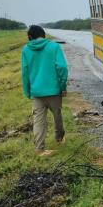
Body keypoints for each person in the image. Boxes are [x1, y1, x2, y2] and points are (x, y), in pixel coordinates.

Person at [21, 25, 68, 156]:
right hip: (54, 90)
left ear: (30, 37)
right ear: (43, 35)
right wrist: (62, 86)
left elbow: (25, 72)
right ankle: (59, 138)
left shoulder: (26, 50)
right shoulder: (54, 47)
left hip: (36, 92)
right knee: (57, 116)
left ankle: (39, 149)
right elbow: (62, 68)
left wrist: (28, 91)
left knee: (38, 121)